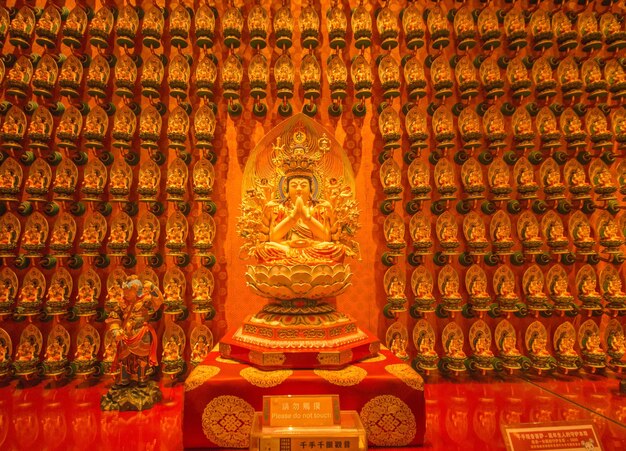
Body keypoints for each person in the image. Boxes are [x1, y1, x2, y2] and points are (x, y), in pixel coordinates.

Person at [254, 173, 344, 265]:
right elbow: (273, 238)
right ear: (286, 191)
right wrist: (293, 216)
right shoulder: (279, 209)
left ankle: (292, 262)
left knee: (335, 248)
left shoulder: (320, 208)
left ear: (311, 191)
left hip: (314, 248)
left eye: (303, 185)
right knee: (265, 248)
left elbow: (326, 238)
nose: (299, 189)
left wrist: (306, 218)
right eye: (294, 185)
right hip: (286, 249)